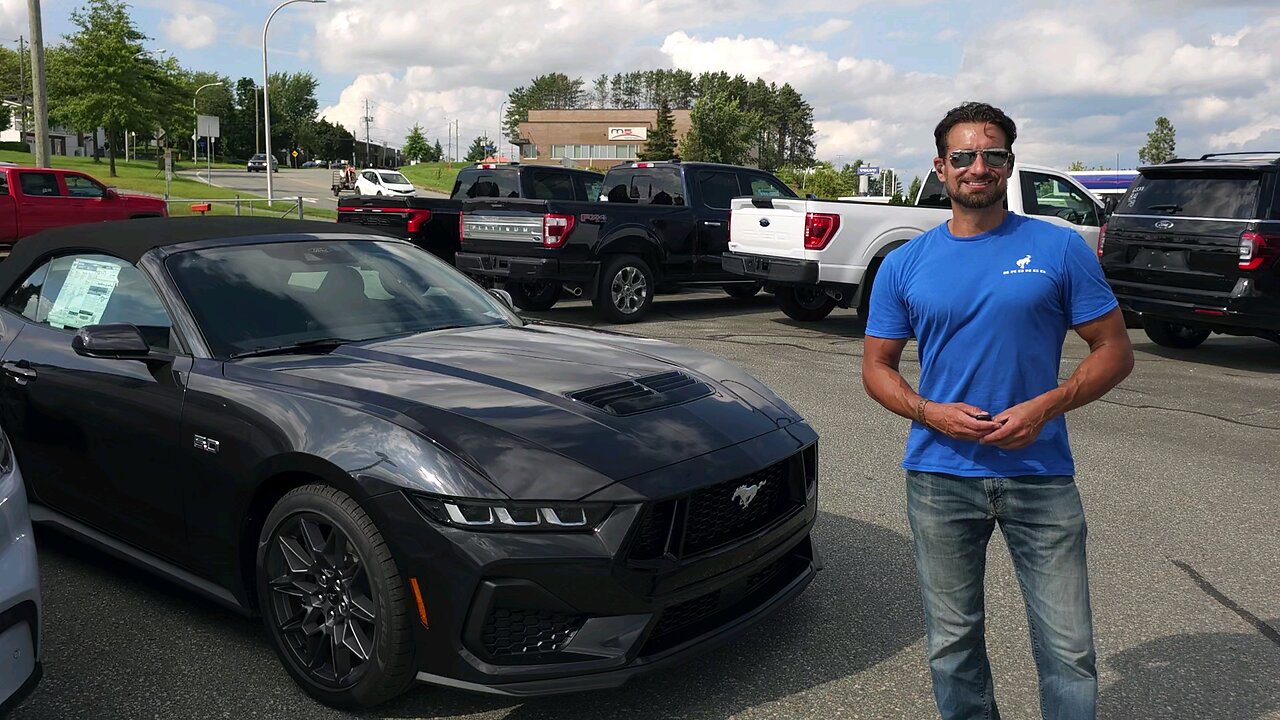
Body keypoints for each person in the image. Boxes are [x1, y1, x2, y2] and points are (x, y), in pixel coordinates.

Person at [861, 101, 1134, 720]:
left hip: (1041, 475)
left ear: (1009, 165)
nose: (977, 166)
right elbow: (876, 368)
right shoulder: (905, 262)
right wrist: (931, 413)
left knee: (1069, 649)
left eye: (992, 155)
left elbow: (1114, 351)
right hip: (939, 476)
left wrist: (1048, 405)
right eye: (963, 156)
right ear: (940, 167)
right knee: (952, 646)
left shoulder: (1059, 249)